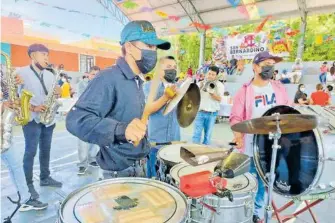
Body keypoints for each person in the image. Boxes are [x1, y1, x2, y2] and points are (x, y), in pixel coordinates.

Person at [66, 20, 171, 179]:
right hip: (118, 173)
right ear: (129, 47)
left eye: (155, 48)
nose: (154, 52)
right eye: (149, 46)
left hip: (138, 165)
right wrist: (120, 130)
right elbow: (76, 119)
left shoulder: (136, 80)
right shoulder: (108, 78)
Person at [230, 51, 290, 223]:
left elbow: (288, 112)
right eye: (266, 64)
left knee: (266, 181)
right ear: (255, 67)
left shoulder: (279, 88)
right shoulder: (245, 91)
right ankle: (243, 213)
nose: (270, 67)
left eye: (273, 64)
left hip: (273, 145)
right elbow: (235, 117)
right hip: (250, 145)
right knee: (248, 180)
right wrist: (238, 135)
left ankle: (257, 213)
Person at [17, 44, 63, 201]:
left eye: (47, 55)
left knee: (46, 150)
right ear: (32, 55)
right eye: (43, 55)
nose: (46, 58)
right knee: (30, 152)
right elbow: (15, 99)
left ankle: (45, 177)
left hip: (47, 120)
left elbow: (53, 95)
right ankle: (28, 185)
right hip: (31, 119)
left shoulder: (50, 75)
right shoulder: (20, 73)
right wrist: (33, 107)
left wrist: (57, 92)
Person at [0, 70, 48, 211]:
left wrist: (15, 87)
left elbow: (8, 98)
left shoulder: (2, 71)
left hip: (4, 133)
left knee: (16, 166)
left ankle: (26, 199)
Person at [143, 56, 179, 179]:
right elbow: (147, 110)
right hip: (156, 141)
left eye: (174, 67)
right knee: (153, 177)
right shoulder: (149, 86)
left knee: (170, 176)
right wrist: (165, 97)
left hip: (174, 140)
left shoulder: (179, 87)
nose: (172, 70)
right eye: (168, 67)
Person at [76, 66, 101, 175]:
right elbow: (83, 99)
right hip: (84, 117)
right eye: (93, 74)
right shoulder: (82, 84)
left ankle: (92, 159)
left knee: (95, 141)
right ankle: (82, 164)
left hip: (97, 116)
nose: (95, 76)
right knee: (83, 142)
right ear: (89, 75)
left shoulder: (102, 85)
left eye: (97, 74)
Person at [192, 66, 225, 145]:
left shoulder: (220, 85)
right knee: (196, 135)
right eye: (209, 73)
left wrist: (212, 93)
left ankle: (204, 154)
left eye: (213, 74)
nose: (210, 76)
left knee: (207, 136)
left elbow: (220, 99)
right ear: (206, 73)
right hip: (200, 112)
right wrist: (200, 86)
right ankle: (193, 152)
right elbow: (193, 95)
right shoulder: (201, 83)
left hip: (212, 114)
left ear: (216, 76)